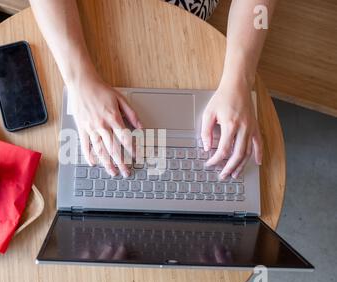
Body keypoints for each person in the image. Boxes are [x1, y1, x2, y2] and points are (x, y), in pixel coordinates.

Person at [30, 0, 277, 180]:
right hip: (84, 25)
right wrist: (79, 78)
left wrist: (239, 80)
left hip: (186, 30)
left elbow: (261, 9)